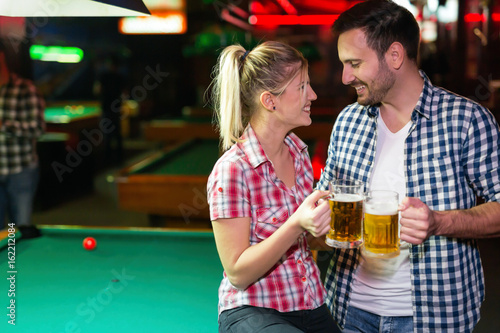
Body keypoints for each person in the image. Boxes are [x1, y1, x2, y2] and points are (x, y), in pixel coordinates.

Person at [315, 1, 500, 332]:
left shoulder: (467, 120)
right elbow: (325, 205)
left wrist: (439, 222)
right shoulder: (347, 121)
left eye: (354, 63)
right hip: (348, 309)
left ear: (395, 56)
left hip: (435, 317)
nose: (345, 77)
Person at [206, 41, 340, 333]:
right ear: (270, 101)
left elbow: (307, 242)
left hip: (310, 304)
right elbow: (238, 273)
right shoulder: (232, 170)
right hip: (252, 310)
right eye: (303, 87)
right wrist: (296, 224)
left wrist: (323, 228)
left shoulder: (298, 153)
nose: (313, 95)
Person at [0, 41, 45, 237]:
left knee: (20, 230)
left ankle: (16, 268)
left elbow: (37, 129)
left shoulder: (26, 89)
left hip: (21, 171)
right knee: (1, 234)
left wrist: (4, 125)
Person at [94, 54, 126, 165]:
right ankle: (119, 159)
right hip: (116, 109)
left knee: (107, 135)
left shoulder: (103, 75)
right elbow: (124, 94)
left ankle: (108, 160)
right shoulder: (120, 77)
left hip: (107, 109)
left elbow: (97, 90)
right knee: (117, 134)